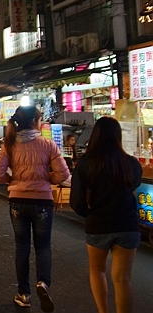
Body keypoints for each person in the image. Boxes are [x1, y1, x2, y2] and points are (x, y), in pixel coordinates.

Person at [0, 105, 70, 312]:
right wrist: (46, 178)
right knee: (43, 246)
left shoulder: (10, 144)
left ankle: (24, 294)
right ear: (35, 121)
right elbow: (63, 175)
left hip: (17, 200)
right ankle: (43, 283)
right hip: (42, 200)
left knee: (22, 247)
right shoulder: (48, 144)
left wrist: (11, 180)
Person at [70, 117, 142, 313]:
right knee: (123, 278)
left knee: (97, 270)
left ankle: (103, 311)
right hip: (127, 225)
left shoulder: (86, 164)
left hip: (98, 225)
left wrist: (91, 214)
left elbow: (76, 201)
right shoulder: (131, 163)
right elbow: (135, 185)